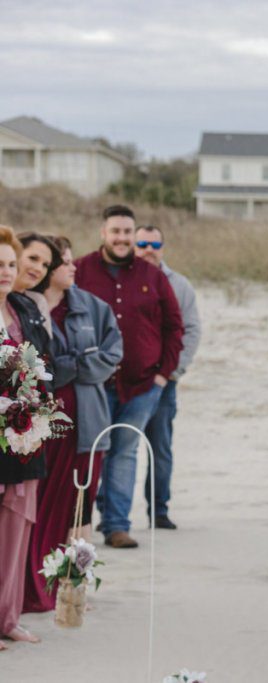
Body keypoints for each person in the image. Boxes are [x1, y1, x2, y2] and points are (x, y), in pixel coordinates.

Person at [22, 237, 123, 613]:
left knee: (78, 506)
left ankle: (72, 587)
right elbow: (39, 367)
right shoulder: (26, 308)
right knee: (40, 501)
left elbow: (111, 357)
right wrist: (74, 363)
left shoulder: (93, 308)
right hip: (44, 425)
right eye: (64, 262)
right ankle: (31, 582)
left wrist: (70, 366)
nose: (73, 267)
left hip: (87, 419)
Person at [74, 205, 183, 549]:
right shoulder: (80, 270)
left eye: (127, 232)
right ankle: (79, 525)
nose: (121, 238)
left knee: (125, 451)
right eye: (115, 231)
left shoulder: (153, 277)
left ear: (133, 236)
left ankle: (117, 526)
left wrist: (163, 375)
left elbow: (174, 326)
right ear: (103, 233)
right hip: (93, 383)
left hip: (142, 385)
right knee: (91, 452)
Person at [0, 226, 52, 649]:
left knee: (16, 531)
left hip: (23, 439)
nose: (5, 272)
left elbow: (42, 369)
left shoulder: (23, 310)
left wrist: (37, 417)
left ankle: (8, 617)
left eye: (10, 265)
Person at [135, 225, 201, 531]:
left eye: (154, 244)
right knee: (116, 449)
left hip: (164, 382)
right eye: (143, 243)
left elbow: (192, 330)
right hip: (123, 382)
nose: (149, 248)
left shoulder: (180, 285)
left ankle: (158, 511)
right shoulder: (122, 281)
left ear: (163, 247)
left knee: (159, 448)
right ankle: (110, 515)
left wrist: (174, 370)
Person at [14, 232, 61, 334]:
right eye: (33, 258)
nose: (39, 269)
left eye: (45, 265)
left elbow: (46, 348)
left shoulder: (38, 302)